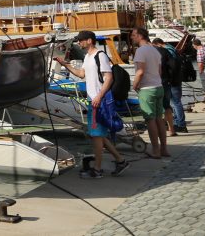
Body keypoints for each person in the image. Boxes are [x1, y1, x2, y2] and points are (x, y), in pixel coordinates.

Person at [54, 30, 129, 177]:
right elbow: (82, 74)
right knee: (98, 135)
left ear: (89, 41)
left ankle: (98, 170)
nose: (79, 43)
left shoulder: (100, 55)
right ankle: (120, 160)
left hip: (98, 101)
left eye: (81, 40)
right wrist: (65, 64)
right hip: (92, 100)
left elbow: (109, 77)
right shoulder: (87, 57)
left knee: (96, 135)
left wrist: (99, 96)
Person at [131, 27, 168, 158]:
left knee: (150, 120)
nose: (132, 37)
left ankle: (156, 150)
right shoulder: (155, 50)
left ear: (140, 36)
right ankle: (164, 149)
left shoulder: (141, 51)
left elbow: (140, 71)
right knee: (159, 119)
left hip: (147, 89)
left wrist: (134, 85)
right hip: (159, 86)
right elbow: (159, 71)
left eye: (134, 35)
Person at [153, 37, 187, 134]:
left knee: (175, 102)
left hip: (172, 81)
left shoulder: (167, 51)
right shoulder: (172, 49)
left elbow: (171, 66)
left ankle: (180, 124)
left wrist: (169, 79)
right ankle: (177, 123)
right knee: (174, 103)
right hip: (176, 80)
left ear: (158, 44)